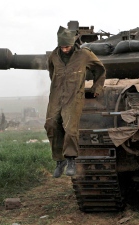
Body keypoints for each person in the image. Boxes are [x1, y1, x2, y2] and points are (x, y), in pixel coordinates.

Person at [44, 26, 106, 178]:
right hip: (56, 96)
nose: (65, 50)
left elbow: (100, 69)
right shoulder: (53, 56)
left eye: (67, 46)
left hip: (74, 96)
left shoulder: (84, 55)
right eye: (62, 47)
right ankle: (60, 161)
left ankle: (71, 159)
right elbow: (52, 73)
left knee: (70, 128)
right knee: (51, 125)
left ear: (72, 44)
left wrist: (96, 88)